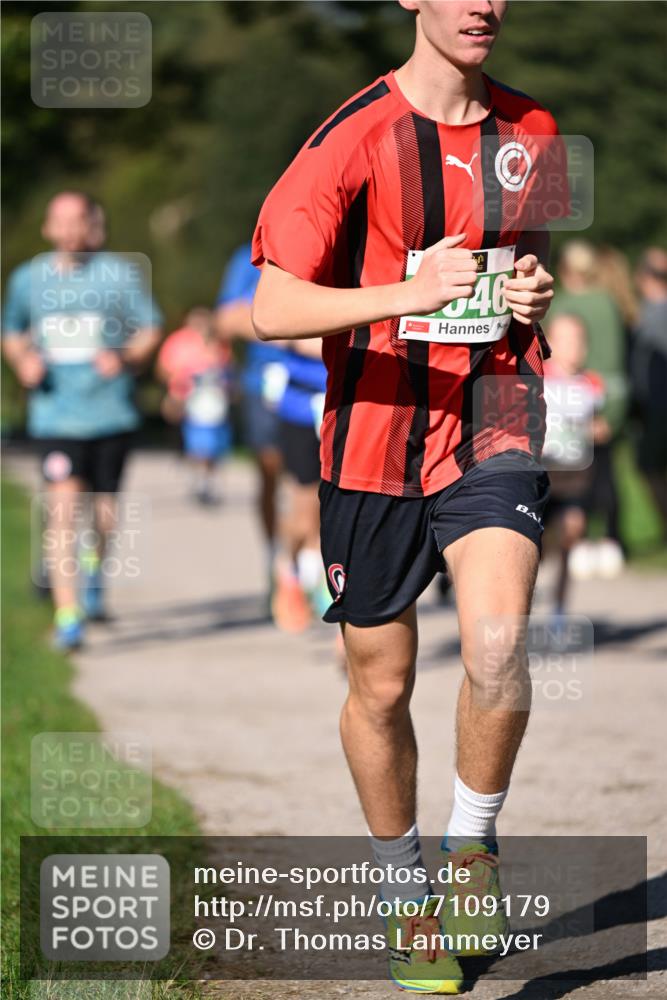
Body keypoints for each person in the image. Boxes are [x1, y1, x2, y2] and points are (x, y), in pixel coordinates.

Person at [251, 1, 569, 992]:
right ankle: (403, 896)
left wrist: (527, 289)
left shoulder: (536, 131)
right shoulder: (349, 137)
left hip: (494, 420)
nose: (482, 5)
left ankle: (471, 849)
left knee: (498, 640)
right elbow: (270, 307)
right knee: (381, 688)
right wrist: (407, 291)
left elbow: (521, 256)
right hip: (372, 443)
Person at [2, 191, 162, 649]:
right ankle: (67, 614)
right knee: (62, 511)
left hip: (111, 414)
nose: (70, 230)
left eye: (79, 221)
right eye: (61, 221)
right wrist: (22, 362)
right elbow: (10, 331)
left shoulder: (118, 276)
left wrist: (127, 357)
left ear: (91, 226)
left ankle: (94, 575)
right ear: (48, 228)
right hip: (56, 417)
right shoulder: (28, 280)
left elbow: (150, 327)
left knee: (104, 514)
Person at [550, 240, 627, 577]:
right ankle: (610, 540)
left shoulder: (559, 304)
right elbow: (615, 363)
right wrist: (612, 413)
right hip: (600, 398)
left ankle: (571, 544)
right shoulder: (608, 304)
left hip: (564, 403)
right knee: (604, 474)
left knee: (567, 478)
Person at [215, 243, 287, 604]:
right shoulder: (250, 258)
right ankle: (277, 558)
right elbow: (226, 318)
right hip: (265, 385)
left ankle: (315, 564)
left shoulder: (339, 245)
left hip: (324, 383)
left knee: (323, 478)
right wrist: (290, 326)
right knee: (270, 473)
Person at [542, 314, 605, 616]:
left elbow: (596, 423)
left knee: (572, 529)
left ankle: (559, 607)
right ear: (550, 343)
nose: (573, 347)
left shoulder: (591, 384)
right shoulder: (537, 377)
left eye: (579, 341)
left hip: (575, 475)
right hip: (540, 473)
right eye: (565, 340)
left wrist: (597, 429)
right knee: (532, 546)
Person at [267, 338, 329, 632]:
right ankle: (287, 570)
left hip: (350, 405)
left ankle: (319, 581)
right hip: (303, 409)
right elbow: (268, 324)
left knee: (331, 505)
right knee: (304, 512)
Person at [156, 307, 233, 505]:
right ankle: (198, 476)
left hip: (214, 403)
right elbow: (164, 369)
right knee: (196, 442)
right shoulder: (178, 341)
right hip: (187, 400)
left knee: (213, 443)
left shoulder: (219, 344)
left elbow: (227, 372)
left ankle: (207, 478)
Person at [631, 247, 667, 538]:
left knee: (650, 466)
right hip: (652, 405)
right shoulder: (644, 313)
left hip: (658, 405)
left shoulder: (649, 316)